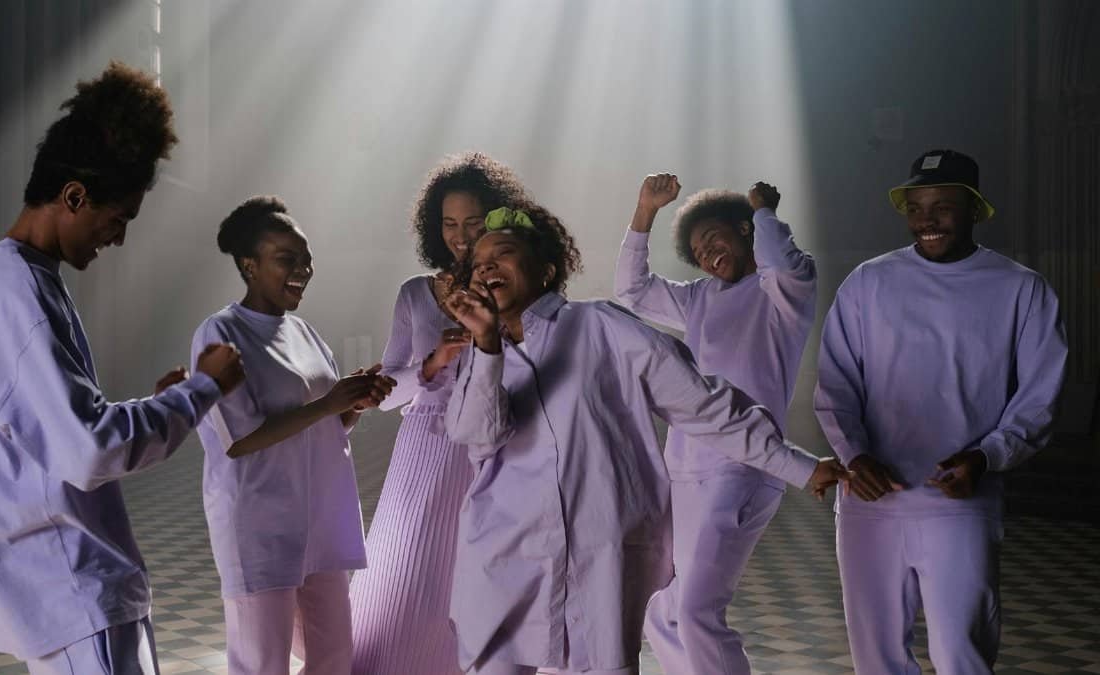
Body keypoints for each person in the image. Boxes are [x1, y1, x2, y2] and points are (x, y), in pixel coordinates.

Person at [442, 203, 847, 675]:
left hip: (596, 561)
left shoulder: (600, 327)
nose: (485, 266)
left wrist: (798, 465)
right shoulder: (479, 354)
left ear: (547, 270)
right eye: (478, 263)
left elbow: (703, 405)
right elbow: (478, 435)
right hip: (501, 557)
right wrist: (487, 347)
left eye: (503, 253)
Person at [0, 62, 245, 674]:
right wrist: (202, 389)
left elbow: (58, 430)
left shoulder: (22, 281)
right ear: (74, 196)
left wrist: (161, 403)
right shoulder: (16, 294)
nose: (118, 238)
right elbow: (89, 449)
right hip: (75, 592)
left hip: (69, 594)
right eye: (119, 219)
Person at [814, 149, 1067, 673]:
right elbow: (836, 383)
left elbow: (1040, 397)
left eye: (942, 206)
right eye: (915, 207)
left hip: (960, 500)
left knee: (961, 655)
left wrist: (987, 456)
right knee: (875, 659)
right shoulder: (868, 282)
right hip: (869, 502)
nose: (925, 220)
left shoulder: (1020, 288)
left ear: (975, 209)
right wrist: (854, 454)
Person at [614, 174, 817, 674]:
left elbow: (781, 262)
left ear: (746, 231)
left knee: (695, 612)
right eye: (699, 251)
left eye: (714, 239)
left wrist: (764, 211)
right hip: (684, 470)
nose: (707, 255)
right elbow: (631, 290)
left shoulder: (783, 292)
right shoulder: (698, 298)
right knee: (663, 611)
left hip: (745, 467)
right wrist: (645, 211)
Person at [193, 196, 395, 675]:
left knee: (334, 657)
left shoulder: (306, 332)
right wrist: (328, 403)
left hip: (320, 521)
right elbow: (238, 438)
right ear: (249, 265)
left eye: (307, 259)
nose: (302, 269)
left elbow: (326, 426)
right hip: (261, 526)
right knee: (263, 663)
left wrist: (352, 404)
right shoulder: (221, 333)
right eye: (287, 259)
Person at [350, 153, 533, 675]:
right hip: (426, 451)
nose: (460, 236)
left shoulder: (514, 289)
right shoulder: (416, 293)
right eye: (449, 224)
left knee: (484, 581)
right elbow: (387, 394)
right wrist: (434, 363)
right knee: (407, 576)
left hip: (497, 447)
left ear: (495, 219)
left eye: (472, 222)